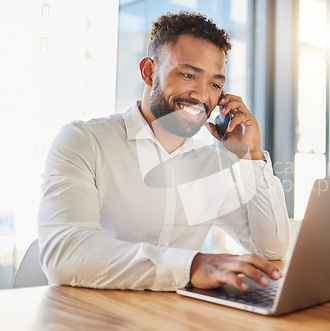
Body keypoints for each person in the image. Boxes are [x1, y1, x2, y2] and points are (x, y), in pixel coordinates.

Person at [37, 12, 289, 292]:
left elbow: (270, 249)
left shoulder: (209, 164)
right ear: (149, 72)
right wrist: (190, 267)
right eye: (188, 74)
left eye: (215, 84)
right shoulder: (84, 142)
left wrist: (251, 155)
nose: (201, 95)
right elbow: (65, 253)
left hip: (171, 317)